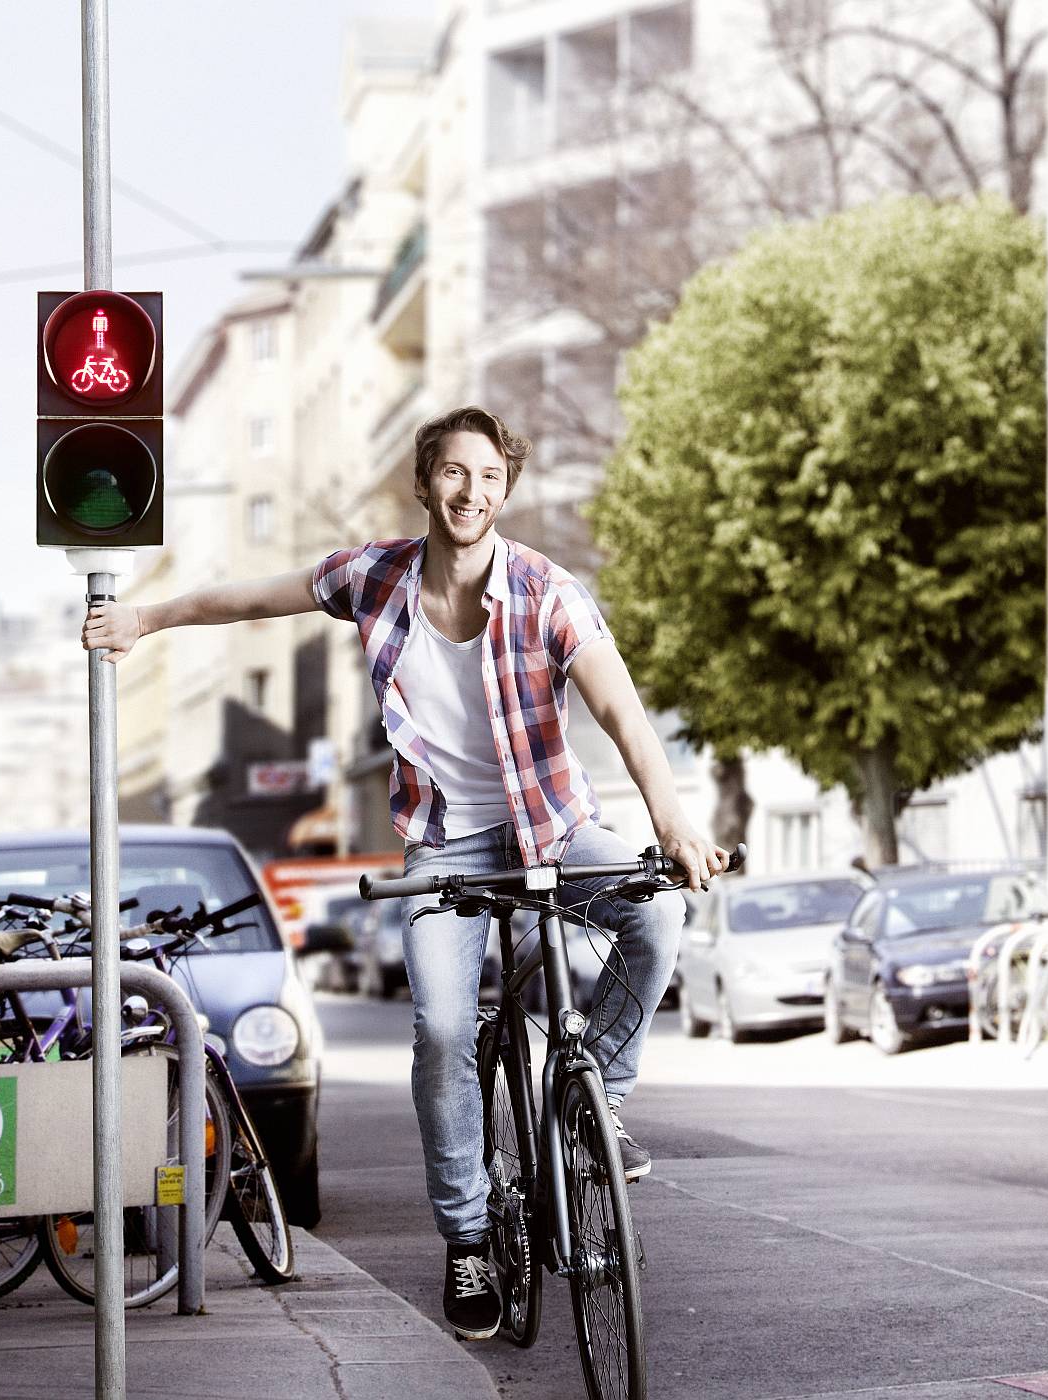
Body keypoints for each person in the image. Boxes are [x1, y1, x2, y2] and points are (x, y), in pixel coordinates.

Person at [80, 405, 727, 1340]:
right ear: (425, 480)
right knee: (439, 1028)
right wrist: (145, 617)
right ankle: (467, 1241)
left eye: (492, 479)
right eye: (456, 474)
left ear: (507, 491)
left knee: (655, 918)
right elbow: (254, 598)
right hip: (445, 847)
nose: (473, 493)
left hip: (552, 826)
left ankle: (598, 1103)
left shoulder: (548, 593)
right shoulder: (373, 577)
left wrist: (672, 822)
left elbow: (623, 714)